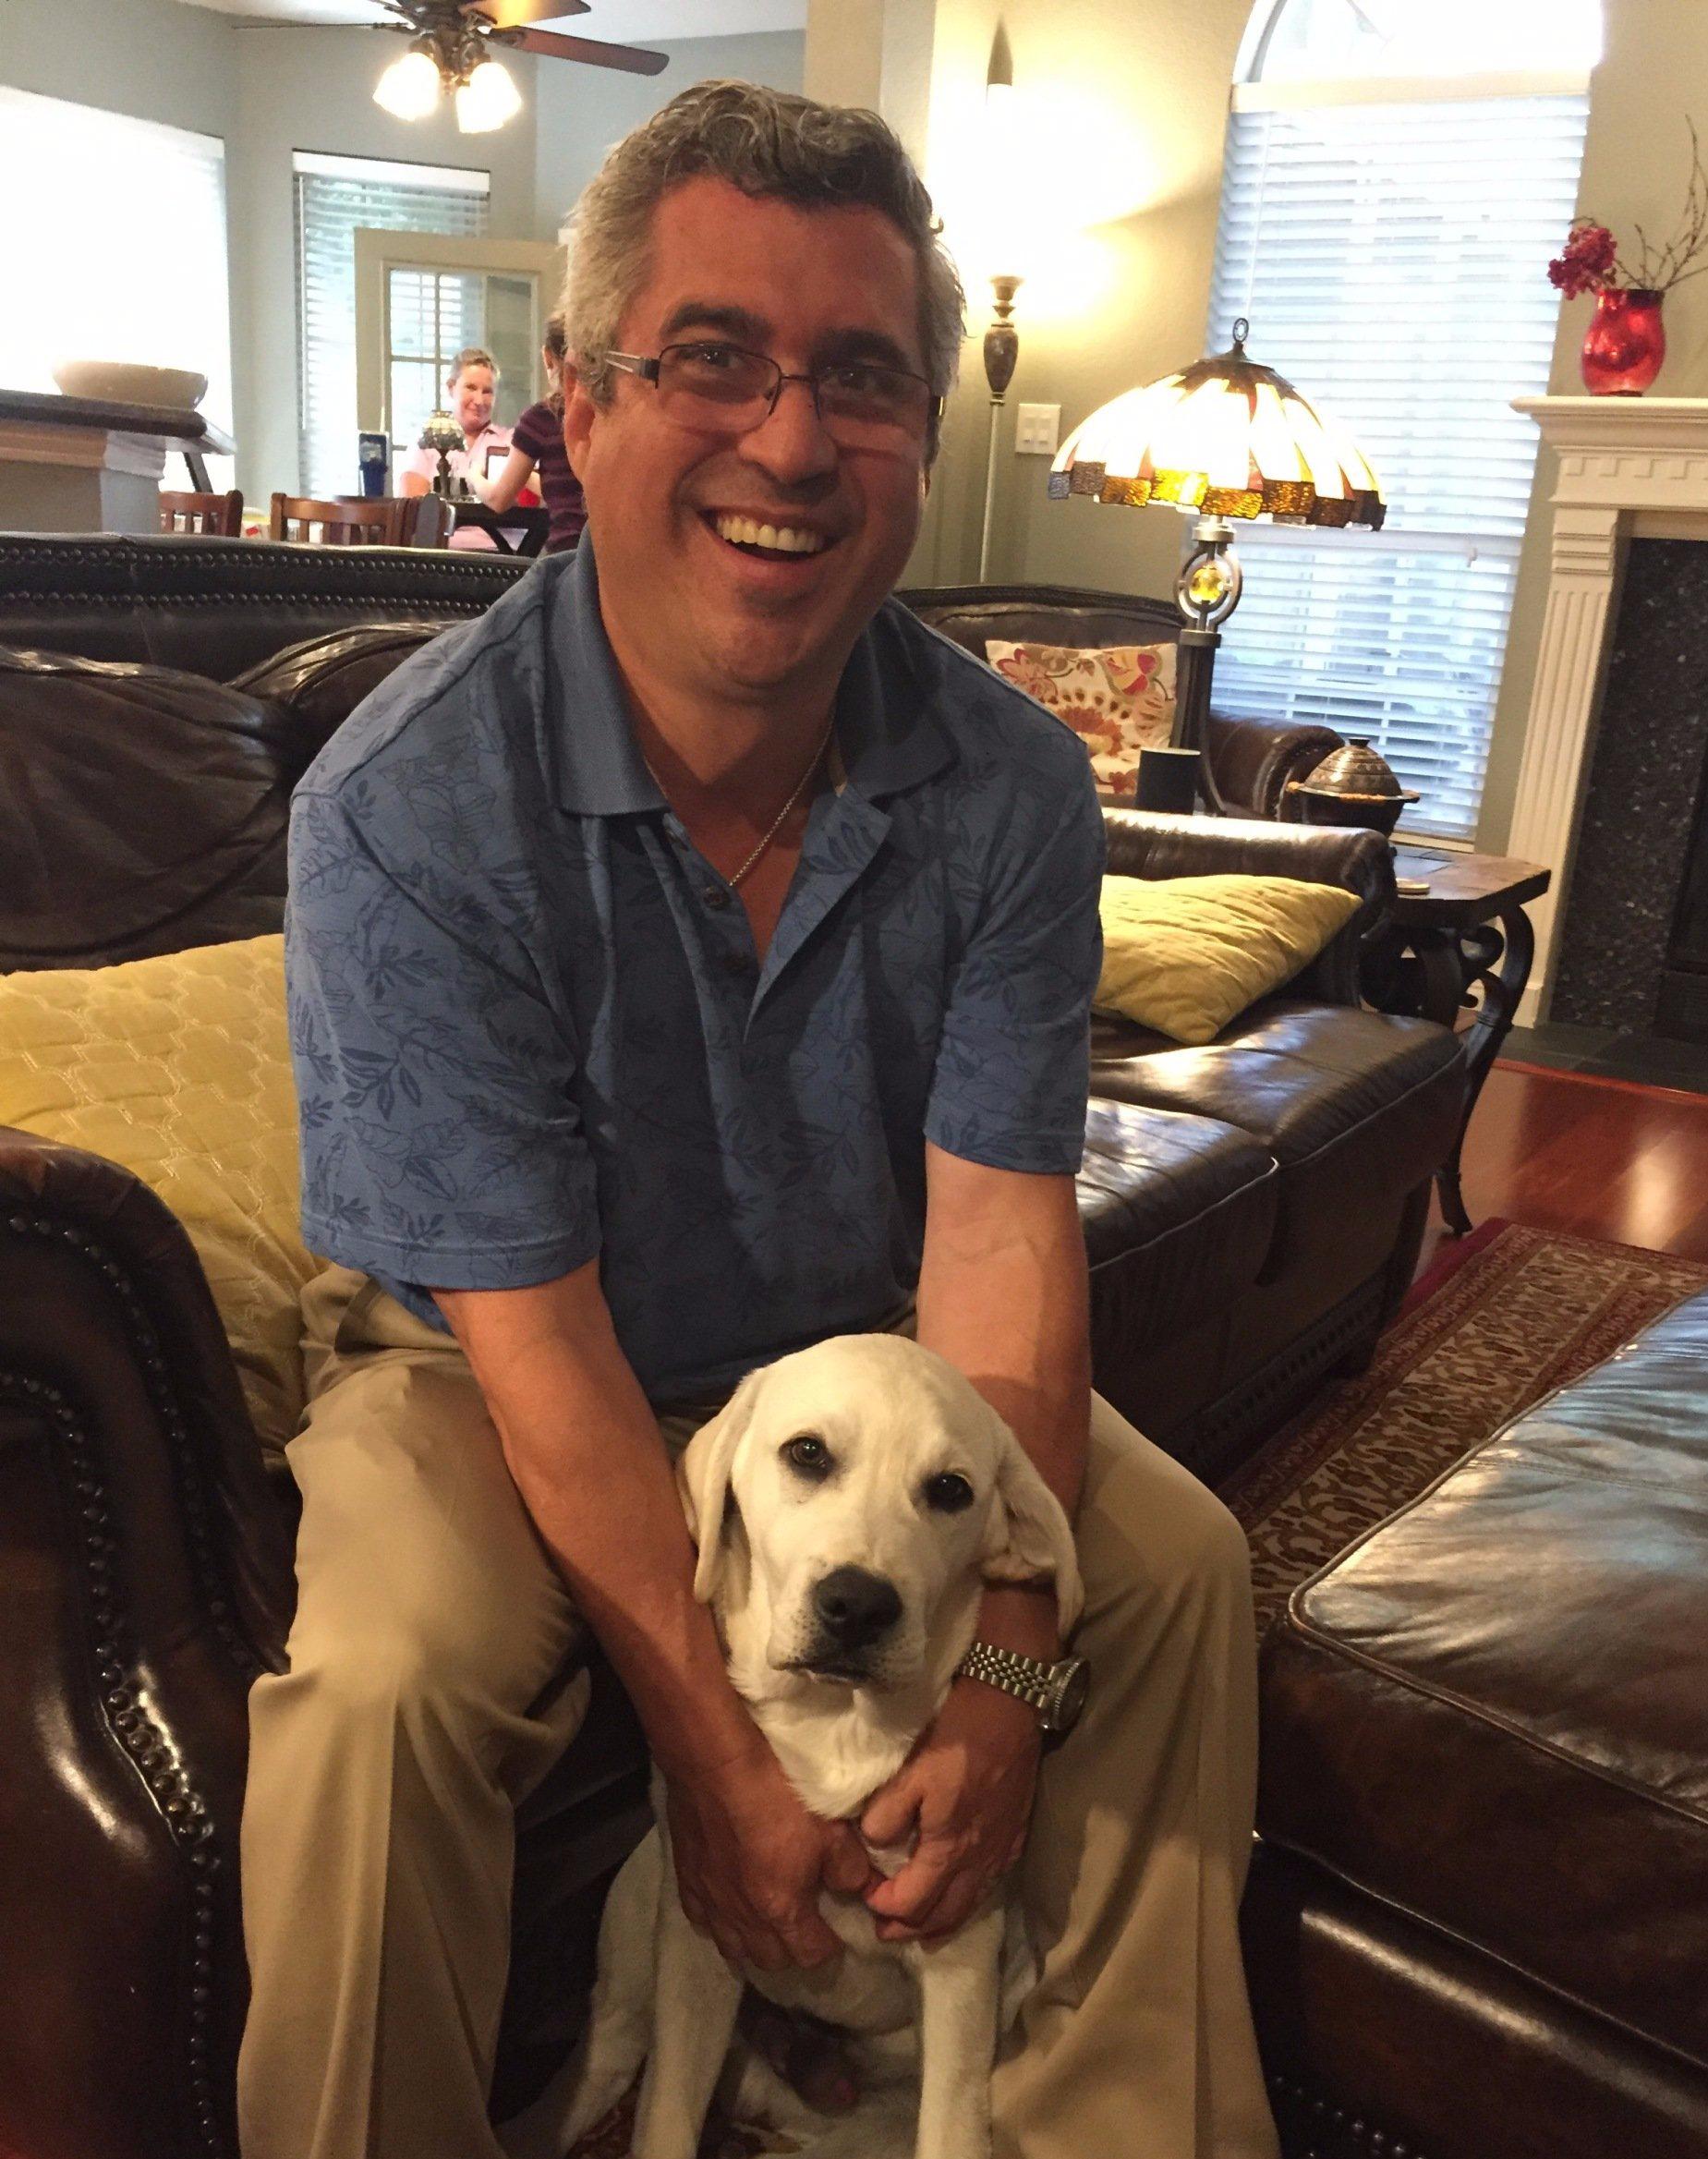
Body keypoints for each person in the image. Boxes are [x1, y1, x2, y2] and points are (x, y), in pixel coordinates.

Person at [240, 79, 1279, 2159]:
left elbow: (994, 1240)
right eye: (713, 357)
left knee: (1174, 1565)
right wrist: (719, 1767)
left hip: (850, 1362)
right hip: (498, 1360)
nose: (792, 443)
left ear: (921, 433)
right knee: (389, 1677)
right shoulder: (412, 805)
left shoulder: (1006, 787)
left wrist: (1002, 1663)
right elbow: (541, 1350)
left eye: (862, 380)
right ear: (583, 398)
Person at [479, 310, 588, 552]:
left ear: (547, 357)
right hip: (608, 555)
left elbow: (499, 500)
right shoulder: (606, 412)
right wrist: (527, 477)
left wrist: (475, 477)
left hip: (566, 553)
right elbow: (569, 489)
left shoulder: (542, 419)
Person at [398, 345, 514, 551]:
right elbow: (413, 506)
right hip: (440, 557)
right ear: (451, 387)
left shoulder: (511, 443)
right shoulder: (426, 442)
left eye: (487, 392)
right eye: (471, 388)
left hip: (502, 555)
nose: (479, 400)